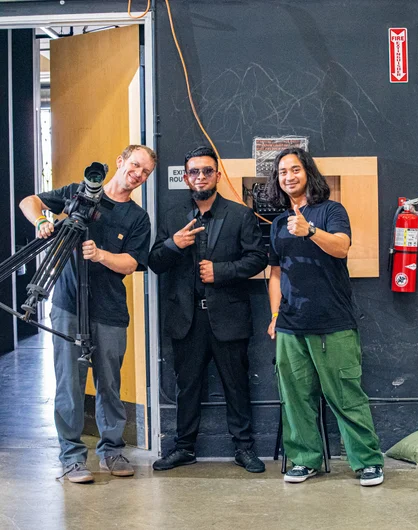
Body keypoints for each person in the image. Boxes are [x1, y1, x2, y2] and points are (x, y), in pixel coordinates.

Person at [19, 145, 156, 483]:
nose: (137, 175)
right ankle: (72, 457)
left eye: (145, 173)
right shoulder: (75, 195)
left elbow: (132, 263)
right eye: (135, 166)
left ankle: (111, 451)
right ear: (120, 161)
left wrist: (101, 256)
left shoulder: (137, 218)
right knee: (69, 382)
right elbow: (28, 201)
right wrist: (42, 220)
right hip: (67, 304)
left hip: (109, 310)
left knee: (109, 383)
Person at [266, 147, 384, 487]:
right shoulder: (277, 224)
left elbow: (342, 247)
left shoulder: (331, 211)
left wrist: (310, 231)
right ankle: (304, 460)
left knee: (346, 396)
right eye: (282, 172)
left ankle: (367, 462)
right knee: (296, 398)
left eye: (295, 169)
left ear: (308, 173)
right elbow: (275, 273)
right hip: (290, 325)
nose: (288, 176)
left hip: (333, 323)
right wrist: (275, 315)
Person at [149, 146, 268, 473]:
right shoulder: (174, 216)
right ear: (186, 178)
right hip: (186, 320)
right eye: (194, 172)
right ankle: (184, 447)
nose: (200, 176)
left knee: (237, 385)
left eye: (206, 170)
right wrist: (174, 244)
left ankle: (244, 449)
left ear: (217, 174)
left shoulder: (240, 214)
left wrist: (223, 271)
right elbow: (155, 263)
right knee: (187, 387)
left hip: (229, 316)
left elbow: (259, 258)